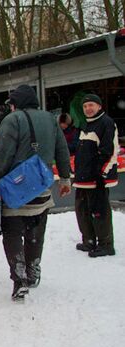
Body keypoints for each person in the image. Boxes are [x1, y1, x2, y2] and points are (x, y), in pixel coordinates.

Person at [0, 85, 72, 302]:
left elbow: (2, 153)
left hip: (15, 189)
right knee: (36, 231)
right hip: (41, 186)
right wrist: (65, 177)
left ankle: (20, 279)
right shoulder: (50, 119)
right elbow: (62, 149)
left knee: (13, 233)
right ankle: (33, 269)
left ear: (16, 103)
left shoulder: (13, 119)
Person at [73, 94, 118, 257]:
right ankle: (89, 241)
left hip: (97, 178)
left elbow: (110, 151)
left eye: (91, 105)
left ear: (99, 106)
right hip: (82, 179)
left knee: (100, 212)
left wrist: (101, 175)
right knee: (82, 211)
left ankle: (106, 245)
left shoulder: (107, 123)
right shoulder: (86, 125)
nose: (88, 109)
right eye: (85, 106)